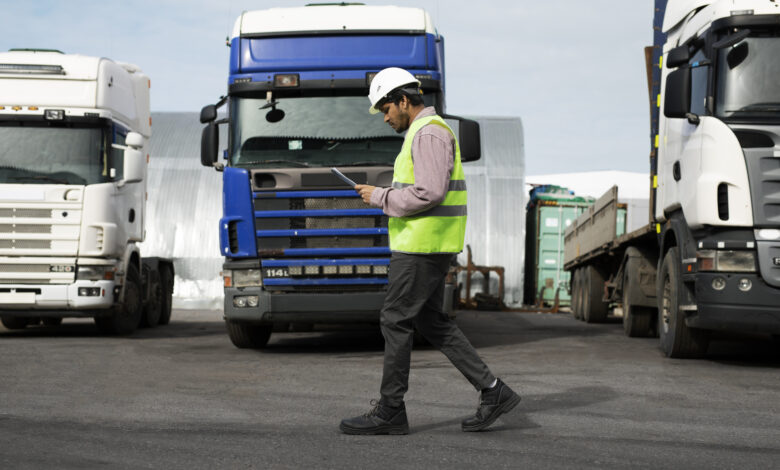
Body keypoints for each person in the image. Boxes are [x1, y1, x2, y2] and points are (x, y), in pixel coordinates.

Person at [339, 67, 520, 435]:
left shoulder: (430, 133)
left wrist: (381, 196)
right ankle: (493, 390)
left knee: (394, 319)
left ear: (404, 100)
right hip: (426, 244)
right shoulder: (425, 133)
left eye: (386, 108)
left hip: (423, 247)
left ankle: (391, 410)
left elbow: (430, 192)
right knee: (430, 321)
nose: (385, 116)